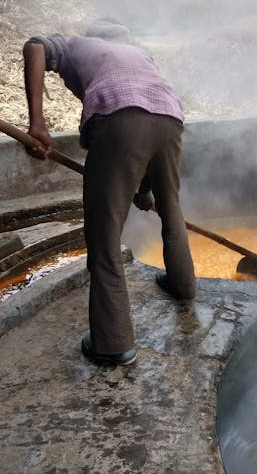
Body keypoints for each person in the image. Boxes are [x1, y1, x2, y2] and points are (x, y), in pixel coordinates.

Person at [22, 19, 196, 366]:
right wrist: (145, 190)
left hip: (118, 117)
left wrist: (37, 123)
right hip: (170, 119)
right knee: (171, 206)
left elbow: (34, 47)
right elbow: (148, 124)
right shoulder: (139, 55)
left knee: (103, 234)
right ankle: (183, 285)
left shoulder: (75, 43)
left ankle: (112, 342)